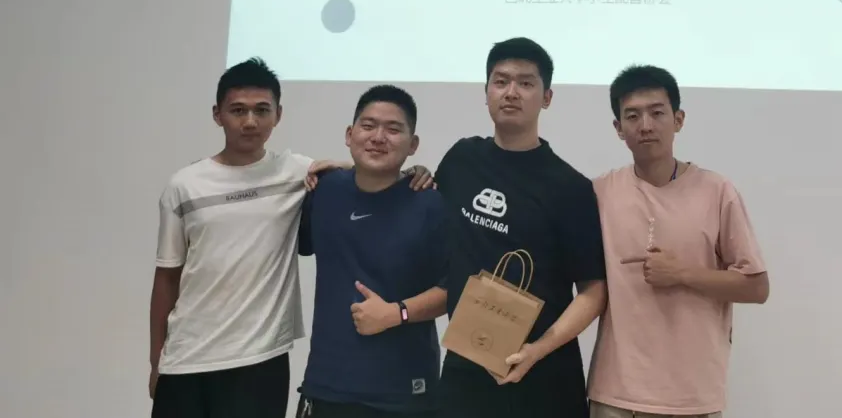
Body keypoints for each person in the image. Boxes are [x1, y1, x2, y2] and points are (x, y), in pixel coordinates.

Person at [149, 58, 432, 418]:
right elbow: (166, 277)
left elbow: (366, 171)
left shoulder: (296, 172)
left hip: (261, 359)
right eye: (238, 110)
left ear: (278, 115)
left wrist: (411, 173)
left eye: (261, 110)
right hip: (186, 358)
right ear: (217, 115)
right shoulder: (184, 185)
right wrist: (156, 360)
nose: (250, 121)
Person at [435, 37, 607, 418]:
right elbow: (420, 203)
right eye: (501, 81)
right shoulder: (461, 159)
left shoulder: (571, 187)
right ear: (486, 92)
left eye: (526, 83)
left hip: (544, 375)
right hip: (467, 367)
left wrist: (537, 350)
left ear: (547, 97)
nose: (511, 92)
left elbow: (593, 292)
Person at [588, 65, 769, 418]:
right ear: (618, 128)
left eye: (657, 113)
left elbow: (757, 287)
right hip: (617, 393)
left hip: (692, 397)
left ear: (679, 119)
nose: (645, 125)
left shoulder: (717, 191)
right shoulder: (600, 192)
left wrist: (683, 273)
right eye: (632, 116)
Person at [296, 84, 448, 417]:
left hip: (404, 393)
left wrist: (397, 313)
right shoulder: (324, 191)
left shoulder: (431, 205)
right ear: (349, 134)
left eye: (393, 129)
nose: (378, 137)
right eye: (368, 126)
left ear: (413, 144)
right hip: (326, 385)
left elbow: (455, 289)